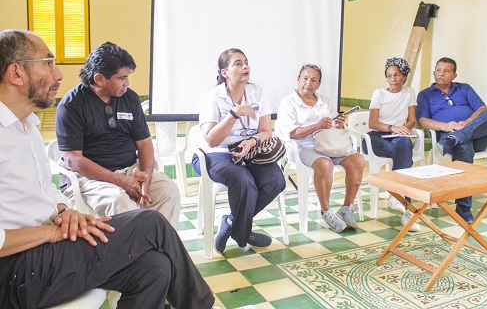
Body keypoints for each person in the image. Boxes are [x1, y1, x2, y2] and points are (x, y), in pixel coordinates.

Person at [0, 29, 214, 309]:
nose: (59, 75)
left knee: (155, 266)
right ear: (16, 74)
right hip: (16, 267)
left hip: (46, 246)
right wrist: (51, 232)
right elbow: (73, 162)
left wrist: (64, 212)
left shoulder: (25, 128)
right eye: (48, 63)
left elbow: (44, 189)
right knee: (149, 222)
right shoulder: (67, 107)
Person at [55, 42, 180, 229]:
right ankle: (135, 256)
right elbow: (73, 160)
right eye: (121, 78)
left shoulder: (130, 98)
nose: (127, 83)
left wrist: (145, 175)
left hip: (130, 170)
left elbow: (144, 142)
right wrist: (119, 181)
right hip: (89, 178)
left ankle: (163, 250)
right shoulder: (72, 105)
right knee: (120, 201)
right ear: (99, 79)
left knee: (168, 191)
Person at [192, 48, 285, 255]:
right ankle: (244, 232)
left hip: (250, 150)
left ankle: (234, 222)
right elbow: (212, 140)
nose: (245, 67)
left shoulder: (257, 92)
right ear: (224, 72)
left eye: (246, 62)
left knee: (276, 181)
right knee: (244, 181)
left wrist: (252, 141)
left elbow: (266, 131)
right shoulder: (213, 97)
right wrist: (233, 114)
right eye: (237, 63)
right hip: (216, 154)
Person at [277, 64, 365, 233]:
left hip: (329, 145)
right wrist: (315, 126)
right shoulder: (288, 103)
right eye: (305, 79)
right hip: (302, 147)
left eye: (313, 80)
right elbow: (293, 134)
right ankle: (326, 211)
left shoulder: (324, 100)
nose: (308, 83)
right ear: (298, 79)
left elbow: (334, 125)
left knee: (358, 160)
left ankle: (346, 208)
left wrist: (339, 124)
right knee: (325, 164)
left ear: (319, 84)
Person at [416, 57, 487, 223]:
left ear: (454, 75)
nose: (441, 74)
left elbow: (483, 109)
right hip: (447, 135)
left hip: (474, 135)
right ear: (434, 73)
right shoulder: (425, 95)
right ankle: (463, 208)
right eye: (438, 70)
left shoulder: (465, 88)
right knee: (464, 149)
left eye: (446, 71)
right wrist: (447, 126)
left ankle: (458, 137)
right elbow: (423, 121)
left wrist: (467, 124)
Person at [366, 57, 420, 231]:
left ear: (404, 76)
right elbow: (372, 122)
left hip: (398, 136)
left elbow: (412, 119)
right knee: (403, 151)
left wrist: (403, 129)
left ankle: (400, 202)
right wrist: (392, 128)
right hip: (378, 136)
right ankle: (406, 206)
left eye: (396, 75)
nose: (393, 79)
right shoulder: (379, 94)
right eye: (389, 76)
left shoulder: (409, 92)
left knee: (403, 145)